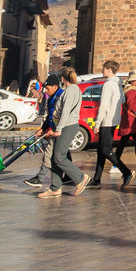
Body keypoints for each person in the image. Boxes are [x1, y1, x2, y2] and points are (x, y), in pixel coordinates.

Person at [39, 69, 89, 198]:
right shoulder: (70, 90)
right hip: (62, 126)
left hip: (67, 126)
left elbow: (66, 111)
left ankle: (80, 178)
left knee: (59, 156)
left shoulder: (72, 90)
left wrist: (59, 129)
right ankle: (55, 187)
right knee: (54, 157)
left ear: (62, 78)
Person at [90, 59, 130, 188]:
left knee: (105, 149)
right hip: (114, 119)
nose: (102, 70)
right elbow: (122, 99)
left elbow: (104, 105)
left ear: (109, 70)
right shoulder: (119, 84)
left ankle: (126, 171)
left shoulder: (108, 84)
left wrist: (97, 123)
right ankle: (97, 178)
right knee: (101, 150)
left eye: (104, 68)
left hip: (107, 120)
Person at [113, 74, 136, 178]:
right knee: (133, 142)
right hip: (131, 122)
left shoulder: (129, 91)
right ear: (133, 81)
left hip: (130, 122)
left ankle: (117, 164)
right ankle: (116, 165)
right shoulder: (132, 92)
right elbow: (132, 106)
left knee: (126, 143)